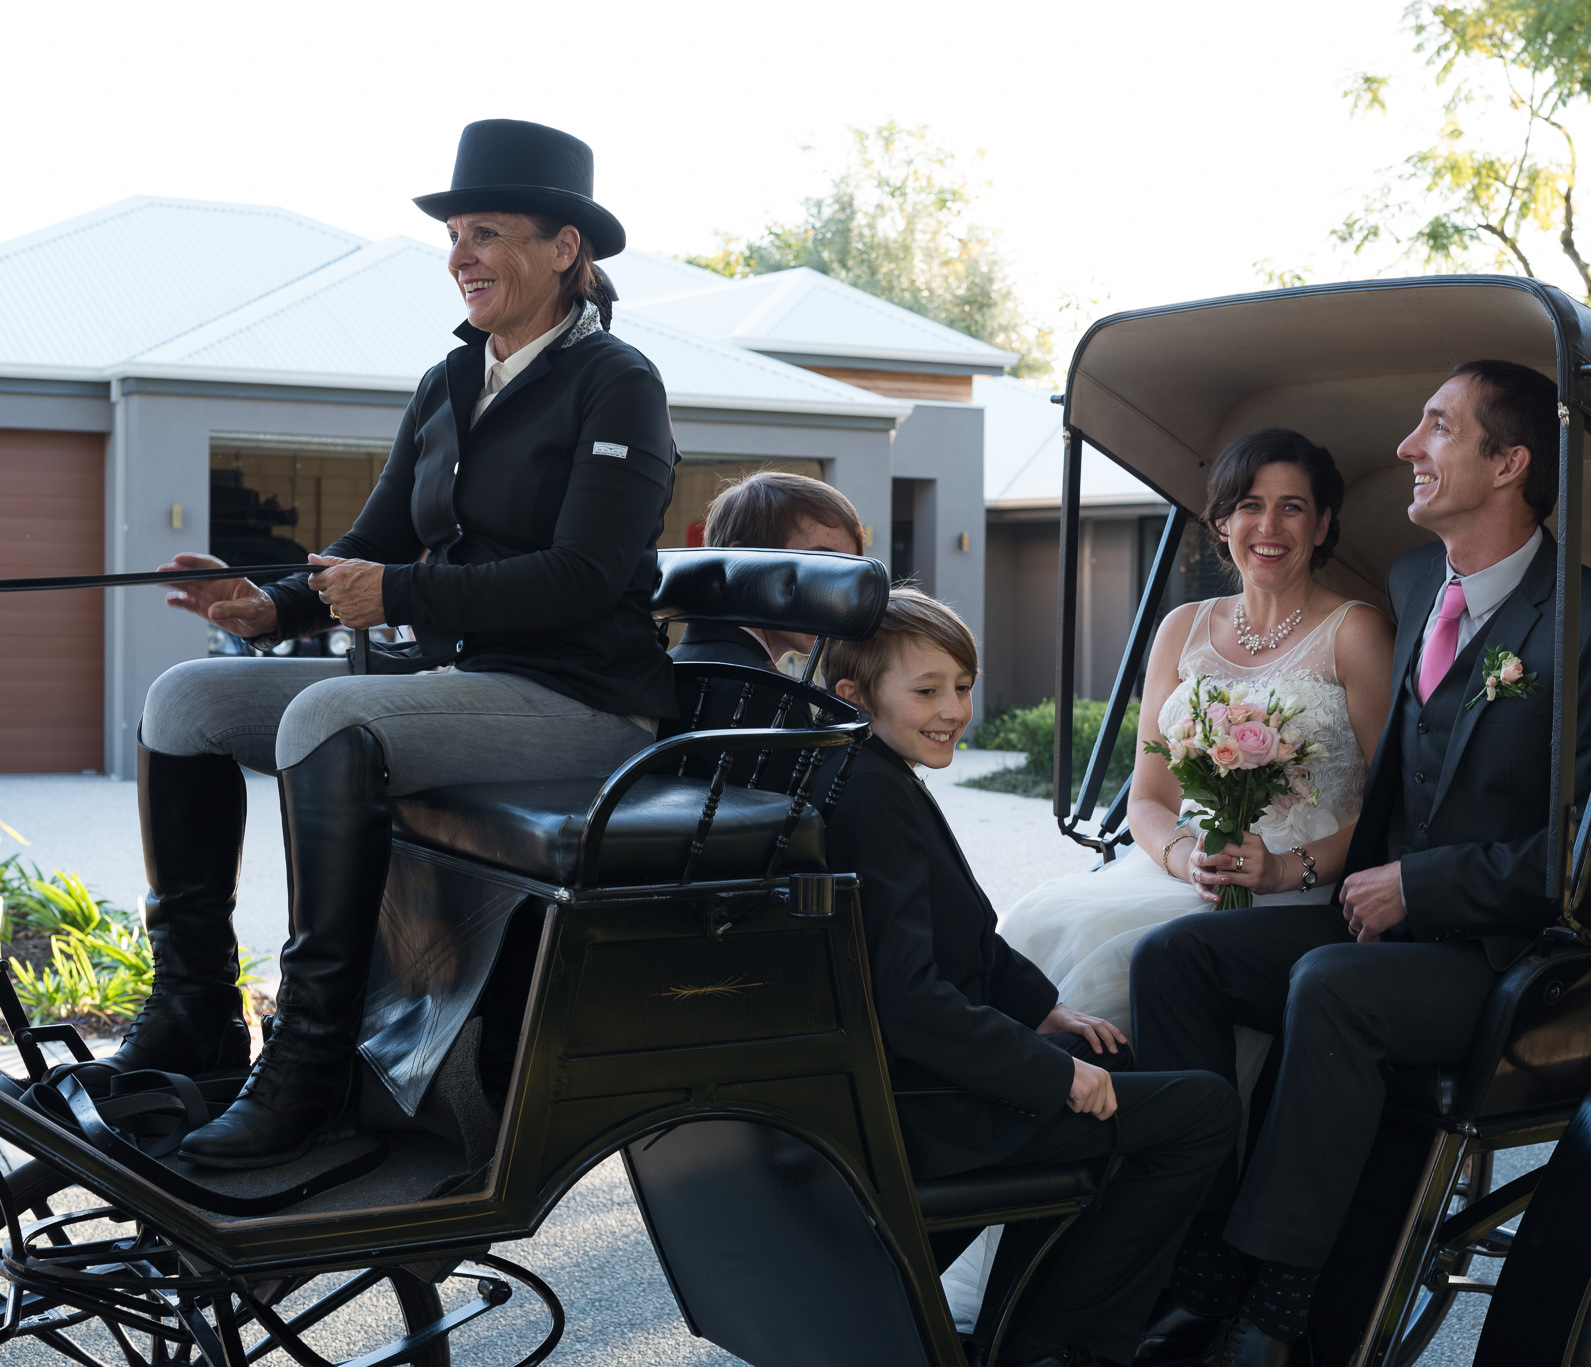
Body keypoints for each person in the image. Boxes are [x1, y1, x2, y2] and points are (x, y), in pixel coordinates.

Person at [90, 120, 680, 1170]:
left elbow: (584, 576)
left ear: (563, 249)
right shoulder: (448, 384)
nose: (459, 254)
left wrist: (397, 590)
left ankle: (311, 1063)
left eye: (485, 230)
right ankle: (193, 1008)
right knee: (185, 700)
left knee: (331, 712)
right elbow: (371, 543)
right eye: (453, 233)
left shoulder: (616, 381)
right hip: (466, 685)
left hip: (588, 703)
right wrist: (267, 607)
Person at [1128, 361, 1591, 1366]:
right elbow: (1388, 783)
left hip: (1511, 953)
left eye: (1434, 428)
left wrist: (1421, 884)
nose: (1405, 449)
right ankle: (1187, 1257)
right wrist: (1291, 868)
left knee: (1330, 984)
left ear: (1507, 463)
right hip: (1383, 925)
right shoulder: (1418, 584)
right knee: (1178, 955)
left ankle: (1273, 1309)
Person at [823, 588, 1239, 1367]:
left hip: (922, 1080)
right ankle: (1054, 1344)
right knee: (1205, 1110)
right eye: (926, 690)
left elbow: (964, 935)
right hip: (922, 1103)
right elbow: (908, 997)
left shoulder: (868, 772)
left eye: (962, 685)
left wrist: (1045, 1011)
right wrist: (1051, 1074)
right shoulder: (873, 799)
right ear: (854, 694)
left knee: (1126, 1064)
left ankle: (1022, 1330)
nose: (954, 709)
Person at [1000, 428, 1393, 1041]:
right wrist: (1188, 860)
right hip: (1186, 871)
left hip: (1301, 885)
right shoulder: (1182, 628)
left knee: (1113, 952)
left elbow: (1392, 804)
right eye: (1249, 506)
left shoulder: (1357, 632)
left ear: (1321, 526)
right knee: (1039, 923)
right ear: (1220, 523)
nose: (1269, 527)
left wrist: (1284, 870)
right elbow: (1149, 799)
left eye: (1292, 507)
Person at [669, 470, 865, 671]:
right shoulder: (771, 694)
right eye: (821, 566)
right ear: (742, 565)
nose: (836, 592)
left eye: (847, 575)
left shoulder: (666, 670)